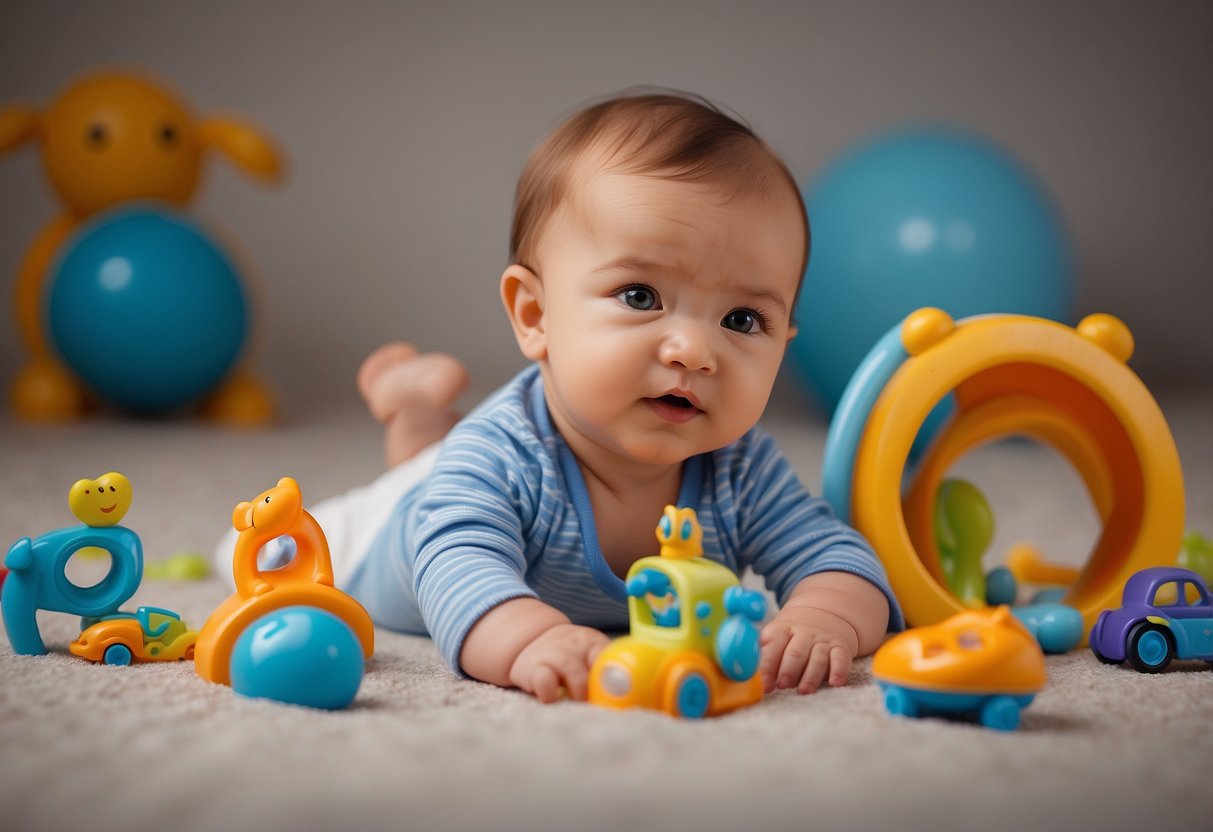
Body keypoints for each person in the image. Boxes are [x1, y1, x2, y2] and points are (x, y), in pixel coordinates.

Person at [235, 91, 903, 704]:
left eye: (741, 320)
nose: (695, 352)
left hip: (457, 470)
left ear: (784, 338)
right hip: (391, 525)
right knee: (295, 546)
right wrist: (528, 638)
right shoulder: (501, 457)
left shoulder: (740, 467)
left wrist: (822, 618)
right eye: (640, 297)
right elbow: (454, 564)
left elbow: (837, 558)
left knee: (439, 459)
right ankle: (420, 428)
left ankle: (422, 421)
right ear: (534, 315)